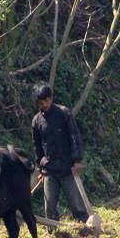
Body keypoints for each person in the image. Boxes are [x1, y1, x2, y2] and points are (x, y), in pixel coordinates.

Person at [31, 83, 88, 223]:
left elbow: (74, 136)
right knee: (49, 205)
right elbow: (37, 147)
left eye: (46, 101)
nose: (44, 105)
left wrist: (77, 160)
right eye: (40, 103)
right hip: (49, 169)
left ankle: (84, 227)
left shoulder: (64, 113)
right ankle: (54, 232)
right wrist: (41, 167)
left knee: (77, 204)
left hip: (67, 166)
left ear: (51, 98)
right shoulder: (36, 121)